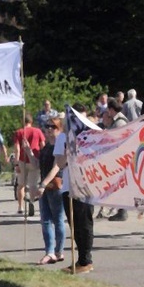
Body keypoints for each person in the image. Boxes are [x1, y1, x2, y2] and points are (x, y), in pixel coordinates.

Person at [56, 103, 95, 274]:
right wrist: (70, 149)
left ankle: (86, 260)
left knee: (85, 222)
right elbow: (59, 163)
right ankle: (80, 260)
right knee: (74, 224)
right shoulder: (63, 137)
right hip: (68, 185)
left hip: (87, 185)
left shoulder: (91, 135)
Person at [34, 116, 66, 264]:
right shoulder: (47, 146)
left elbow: (56, 167)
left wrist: (43, 184)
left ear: (59, 129)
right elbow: (38, 165)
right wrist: (28, 152)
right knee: (45, 220)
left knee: (57, 219)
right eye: (47, 126)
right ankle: (50, 252)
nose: (48, 129)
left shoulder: (59, 146)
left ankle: (58, 251)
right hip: (45, 187)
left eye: (52, 127)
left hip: (55, 186)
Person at [14, 112, 45, 216]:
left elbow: (17, 148)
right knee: (33, 184)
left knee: (21, 184)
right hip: (34, 159)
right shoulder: (38, 131)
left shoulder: (19, 132)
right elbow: (42, 145)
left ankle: (20, 206)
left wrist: (16, 163)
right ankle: (31, 202)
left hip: (22, 160)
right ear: (31, 121)